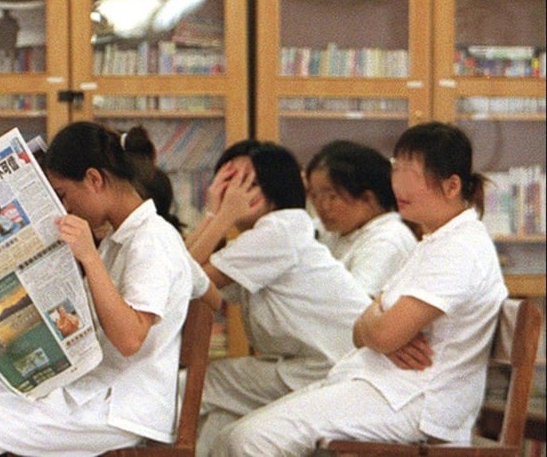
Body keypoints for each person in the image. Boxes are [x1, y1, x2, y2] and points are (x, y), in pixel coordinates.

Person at [0, 122, 210, 456]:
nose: (63, 208)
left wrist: (89, 258)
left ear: (94, 180)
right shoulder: (114, 240)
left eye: (64, 195)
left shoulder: (153, 239)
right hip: (79, 388)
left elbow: (130, 339)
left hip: (118, 409)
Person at [211, 122, 508, 456]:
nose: (398, 185)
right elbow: (362, 327)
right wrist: (376, 323)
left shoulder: (459, 249)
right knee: (233, 435)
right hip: (380, 385)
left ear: (452, 186)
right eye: (396, 170)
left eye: (411, 174)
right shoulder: (435, 242)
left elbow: (381, 333)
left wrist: (377, 323)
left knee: (249, 440)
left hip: (414, 401)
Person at [182, 139, 372, 455]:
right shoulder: (268, 234)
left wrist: (221, 214)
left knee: (198, 385)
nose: (234, 193)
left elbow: (182, 278)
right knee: (220, 417)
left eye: (248, 184)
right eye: (227, 182)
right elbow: (184, 272)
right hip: (310, 366)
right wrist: (215, 212)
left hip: (335, 370)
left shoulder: (278, 231)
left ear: (274, 189)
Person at [305, 140, 417, 296]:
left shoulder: (388, 239)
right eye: (314, 196)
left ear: (367, 199)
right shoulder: (331, 229)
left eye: (331, 196)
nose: (321, 206)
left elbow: (354, 307)